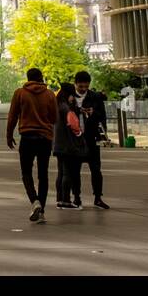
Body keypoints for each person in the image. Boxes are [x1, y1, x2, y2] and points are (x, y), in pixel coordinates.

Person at [6, 68, 59, 223]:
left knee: (26, 173)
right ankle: (41, 210)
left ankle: (34, 201)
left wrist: (9, 135)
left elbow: (12, 116)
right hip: (45, 138)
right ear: (41, 78)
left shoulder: (20, 93)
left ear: (28, 78)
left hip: (27, 137)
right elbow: (54, 118)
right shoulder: (49, 94)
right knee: (43, 175)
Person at [74, 70, 110, 208]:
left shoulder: (95, 97)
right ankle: (76, 197)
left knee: (96, 169)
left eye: (85, 87)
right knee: (75, 170)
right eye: (80, 87)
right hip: (76, 138)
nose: (83, 89)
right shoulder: (70, 97)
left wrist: (93, 113)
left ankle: (98, 197)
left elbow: (102, 117)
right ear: (75, 84)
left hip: (91, 137)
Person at [53, 82, 88, 210]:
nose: (73, 98)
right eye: (72, 95)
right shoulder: (66, 108)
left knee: (61, 172)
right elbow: (74, 125)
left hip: (58, 144)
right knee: (68, 173)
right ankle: (66, 201)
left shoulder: (57, 105)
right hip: (67, 145)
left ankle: (60, 199)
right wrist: (79, 134)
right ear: (68, 95)